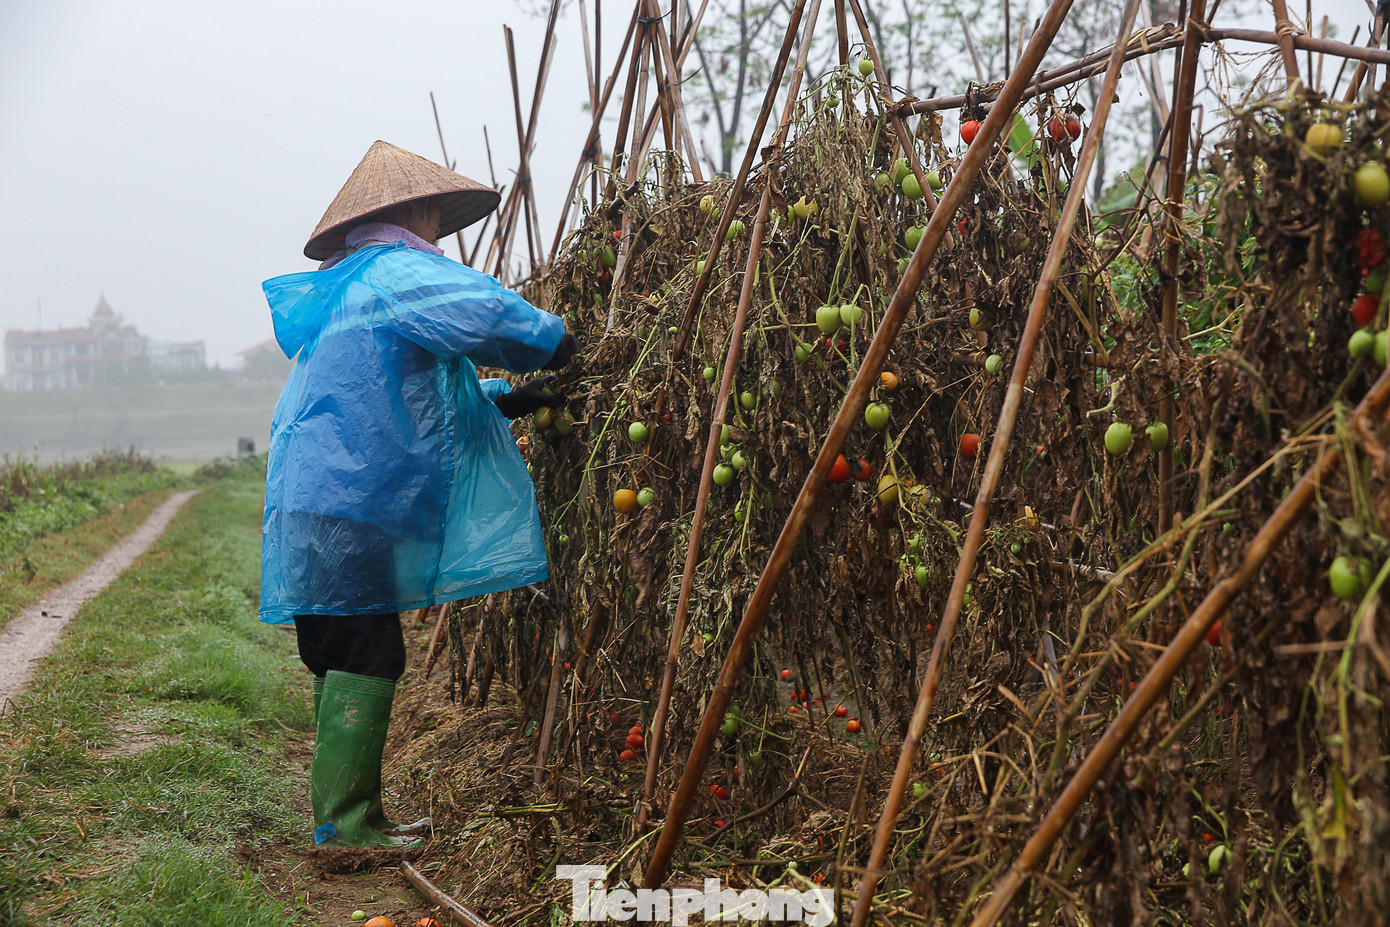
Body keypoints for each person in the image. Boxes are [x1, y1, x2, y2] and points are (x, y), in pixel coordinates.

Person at [258, 140, 574, 867]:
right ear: (416, 208)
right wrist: (555, 343)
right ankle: (345, 830)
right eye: (436, 212)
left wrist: (506, 397)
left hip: (310, 500)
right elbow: (488, 315)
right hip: (352, 498)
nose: (440, 226)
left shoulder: (347, 289)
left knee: (338, 649)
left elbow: (410, 398)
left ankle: (343, 818)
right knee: (369, 651)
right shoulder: (397, 272)